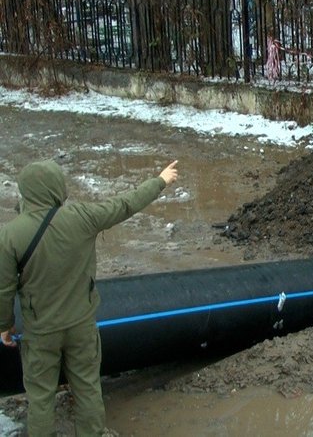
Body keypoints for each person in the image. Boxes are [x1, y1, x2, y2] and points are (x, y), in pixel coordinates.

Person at [0, 159, 179, 436]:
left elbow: (4, 289)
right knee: (87, 389)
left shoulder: (9, 235)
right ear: (58, 188)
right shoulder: (83, 216)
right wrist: (160, 181)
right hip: (81, 327)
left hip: (41, 332)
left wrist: (5, 326)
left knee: (40, 399)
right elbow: (125, 204)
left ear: (25, 192)